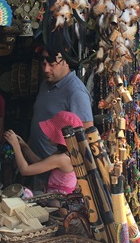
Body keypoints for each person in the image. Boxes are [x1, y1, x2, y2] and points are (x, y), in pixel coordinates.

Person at [28, 35, 94, 191]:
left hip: (58, 174)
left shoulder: (75, 92)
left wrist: (76, 178)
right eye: (43, 63)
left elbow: (87, 135)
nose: (46, 69)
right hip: (38, 165)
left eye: (51, 64)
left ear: (65, 61)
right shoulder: (46, 84)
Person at [4, 111, 83, 195]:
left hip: (60, 200)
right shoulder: (66, 154)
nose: (48, 135)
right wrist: (24, 146)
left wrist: (15, 146)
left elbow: (25, 170)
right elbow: (41, 163)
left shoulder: (61, 159)